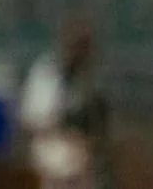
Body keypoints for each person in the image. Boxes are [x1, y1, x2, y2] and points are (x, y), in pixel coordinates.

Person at [19, 16, 114, 189]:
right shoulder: (47, 72)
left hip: (85, 154)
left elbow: (98, 127)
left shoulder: (89, 79)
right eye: (78, 44)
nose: (83, 51)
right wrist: (66, 131)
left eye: (86, 46)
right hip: (52, 145)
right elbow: (33, 121)